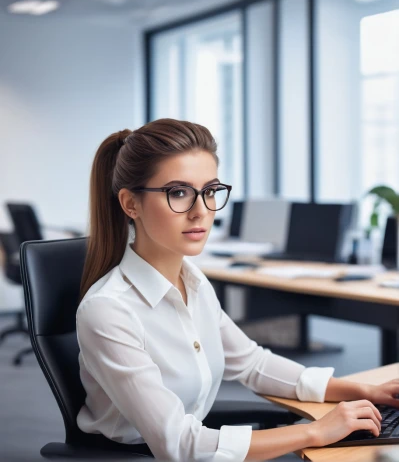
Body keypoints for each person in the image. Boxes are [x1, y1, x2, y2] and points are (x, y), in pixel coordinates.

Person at [76, 118, 399, 461]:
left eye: (210, 191)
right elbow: (178, 444)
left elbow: (251, 364)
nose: (201, 211)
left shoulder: (193, 282)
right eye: (178, 192)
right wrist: (315, 431)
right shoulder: (108, 310)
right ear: (130, 204)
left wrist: (361, 390)